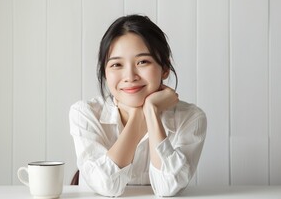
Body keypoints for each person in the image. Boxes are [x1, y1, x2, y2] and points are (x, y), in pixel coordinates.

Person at [69, 14, 207, 197]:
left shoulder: (191, 118)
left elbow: (168, 188)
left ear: (165, 68)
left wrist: (152, 112)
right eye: (117, 64)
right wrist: (138, 118)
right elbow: (106, 186)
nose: (130, 76)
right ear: (105, 73)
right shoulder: (85, 114)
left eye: (143, 62)